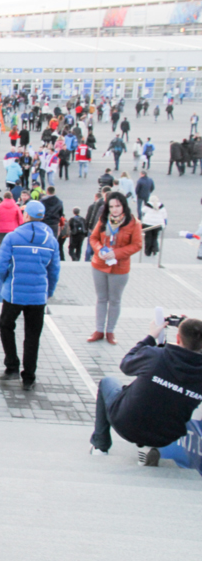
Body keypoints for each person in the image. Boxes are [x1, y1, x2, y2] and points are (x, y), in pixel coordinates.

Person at [90, 317, 202, 464]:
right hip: (167, 435)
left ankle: (100, 445)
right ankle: (148, 447)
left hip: (126, 424)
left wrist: (150, 337)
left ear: (177, 337)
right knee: (170, 399)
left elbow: (126, 364)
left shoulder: (156, 355)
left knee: (108, 382)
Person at [0, 200, 60, 391]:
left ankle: (12, 366)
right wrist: (49, 291)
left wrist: (6, 279)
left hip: (14, 292)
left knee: (6, 326)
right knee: (33, 336)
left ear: (26, 216)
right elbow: (54, 270)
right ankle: (29, 377)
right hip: (38, 296)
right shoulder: (51, 241)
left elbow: (0, 265)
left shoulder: (13, 237)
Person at [88, 192, 142, 346]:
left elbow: (137, 244)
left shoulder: (133, 223)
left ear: (123, 206)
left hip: (119, 266)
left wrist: (116, 253)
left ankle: (110, 331)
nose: (115, 210)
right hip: (100, 264)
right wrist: (99, 250)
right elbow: (93, 238)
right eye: (111, 206)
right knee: (101, 298)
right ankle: (98, 330)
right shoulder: (104, 220)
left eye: (117, 206)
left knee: (115, 300)